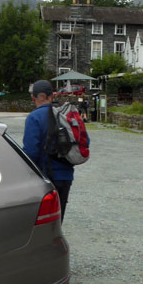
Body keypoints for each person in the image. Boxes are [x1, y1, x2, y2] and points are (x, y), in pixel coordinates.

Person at [22, 79, 89, 223]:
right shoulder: (66, 114)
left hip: (43, 179)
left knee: (42, 223)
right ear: (52, 95)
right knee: (58, 219)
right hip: (65, 176)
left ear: (33, 97)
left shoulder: (34, 118)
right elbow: (85, 141)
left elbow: (30, 153)